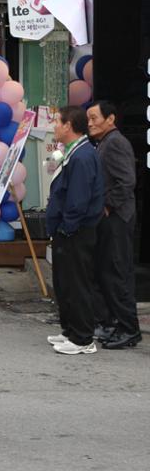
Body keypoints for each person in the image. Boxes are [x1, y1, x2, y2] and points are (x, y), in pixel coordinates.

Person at [45, 106, 104, 356]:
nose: (54, 126)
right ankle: (70, 330)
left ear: (69, 125)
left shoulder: (82, 156)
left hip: (76, 231)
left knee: (77, 283)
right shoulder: (73, 151)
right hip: (67, 230)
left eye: (57, 122)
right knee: (64, 282)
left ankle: (83, 338)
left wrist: (67, 227)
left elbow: (78, 199)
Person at [86, 101, 141, 349]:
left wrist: (108, 205)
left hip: (118, 218)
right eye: (88, 118)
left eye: (95, 118)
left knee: (117, 273)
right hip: (109, 218)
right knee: (107, 272)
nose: (90, 123)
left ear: (110, 119)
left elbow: (127, 181)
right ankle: (116, 324)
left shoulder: (116, 142)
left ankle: (130, 329)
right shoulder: (104, 143)